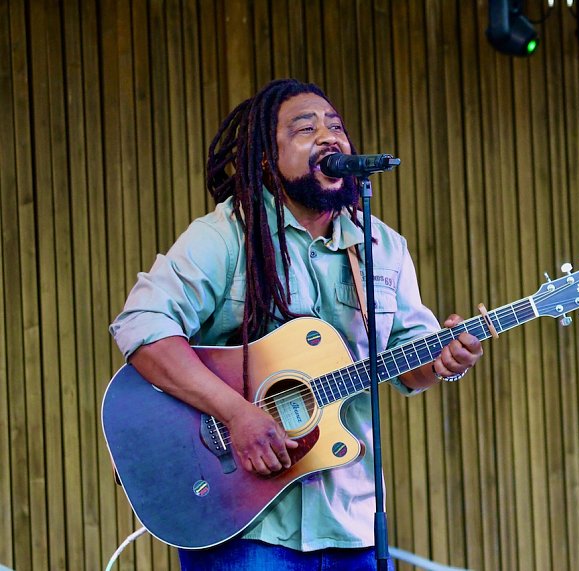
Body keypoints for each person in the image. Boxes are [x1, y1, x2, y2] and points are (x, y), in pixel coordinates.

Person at [109, 79, 483, 569]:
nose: (329, 137)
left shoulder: (382, 248)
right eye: (305, 129)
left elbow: (413, 363)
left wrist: (445, 360)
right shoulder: (226, 235)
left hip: (354, 520)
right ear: (266, 158)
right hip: (246, 523)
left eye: (336, 127)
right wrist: (236, 413)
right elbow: (142, 324)